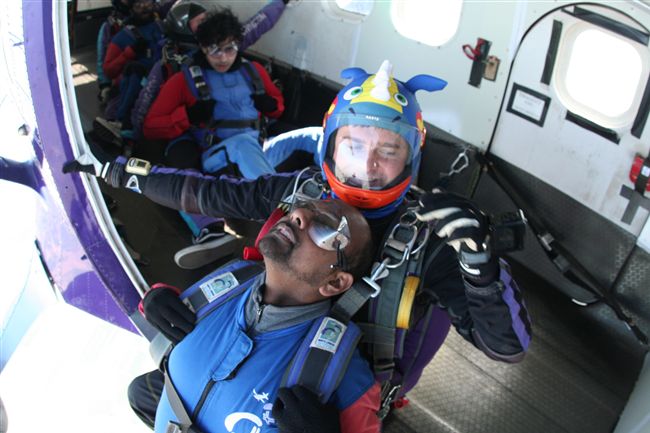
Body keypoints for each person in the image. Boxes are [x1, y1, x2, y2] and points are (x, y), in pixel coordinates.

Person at [64, 60, 531, 430]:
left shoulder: (430, 240)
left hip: (332, 398)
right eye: (353, 146)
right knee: (146, 392)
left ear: (411, 157)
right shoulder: (303, 192)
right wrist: (121, 173)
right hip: (260, 347)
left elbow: (506, 347)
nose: (367, 166)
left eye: (387, 152)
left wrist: (480, 263)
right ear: (330, 144)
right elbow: (209, 193)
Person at [131, 199, 381, 433]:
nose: (298, 214)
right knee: (138, 391)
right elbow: (182, 309)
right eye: (302, 205)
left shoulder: (343, 375)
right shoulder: (231, 281)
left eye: (325, 227)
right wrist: (155, 299)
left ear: (335, 282)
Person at [141, 7, 284, 173]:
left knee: (307, 137)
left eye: (229, 49)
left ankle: (303, 186)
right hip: (218, 155)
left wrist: (271, 105)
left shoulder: (254, 72)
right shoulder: (183, 81)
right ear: (203, 47)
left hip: (259, 146)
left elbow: (278, 107)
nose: (223, 58)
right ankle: (271, 188)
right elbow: (150, 127)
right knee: (243, 144)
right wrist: (187, 115)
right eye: (214, 50)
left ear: (237, 45)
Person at [97, 0, 166, 134]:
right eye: (139, 4)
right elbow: (108, 69)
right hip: (137, 83)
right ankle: (122, 123)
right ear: (131, 8)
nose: (144, 8)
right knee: (134, 71)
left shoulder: (161, 27)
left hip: (160, 79)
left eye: (147, 3)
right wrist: (129, 53)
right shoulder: (123, 36)